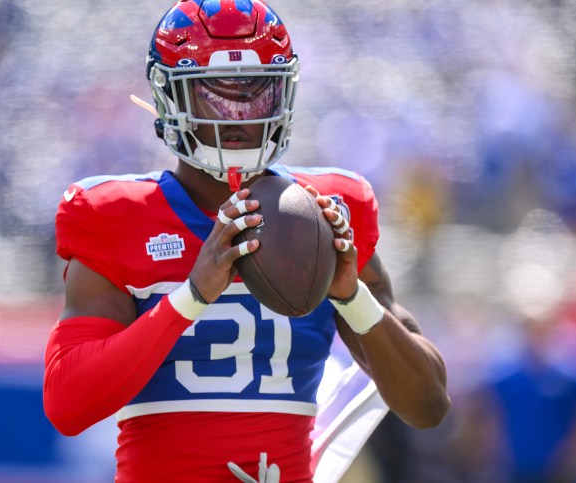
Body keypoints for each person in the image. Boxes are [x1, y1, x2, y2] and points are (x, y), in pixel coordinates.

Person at [42, 1, 450, 481]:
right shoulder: (116, 215)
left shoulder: (327, 213)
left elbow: (428, 405)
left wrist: (350, 295)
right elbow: (67, 405)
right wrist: (190, 298)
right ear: (169, 97)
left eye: (256, 93)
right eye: (213, 95)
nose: (236, 115)